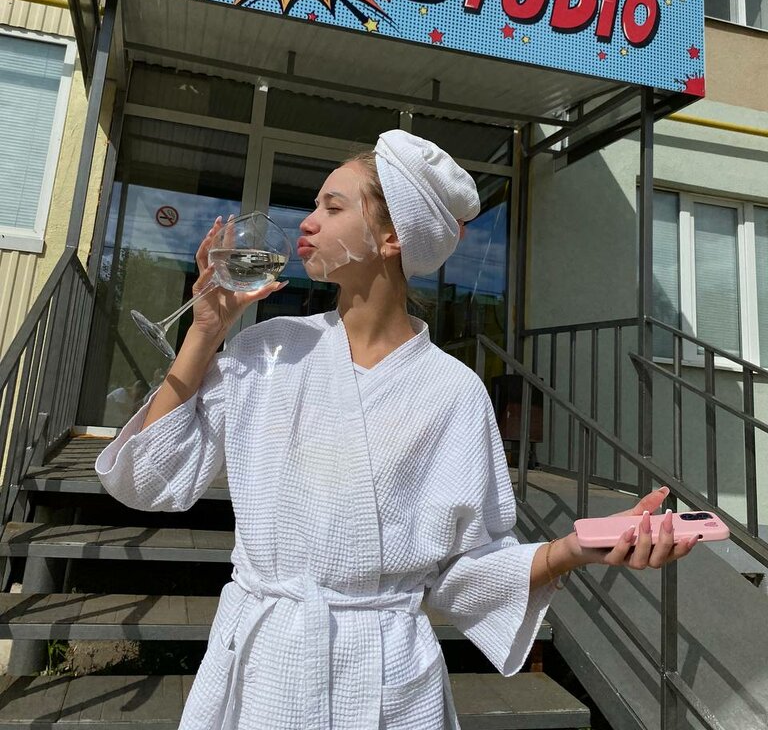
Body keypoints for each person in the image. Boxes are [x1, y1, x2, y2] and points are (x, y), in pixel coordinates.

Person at [95, 129, 698, 730]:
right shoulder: (268, 350)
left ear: (391, 237)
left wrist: (574, 550)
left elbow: (465, 572)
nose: (307, 221)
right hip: (262, 668)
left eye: (333, 207)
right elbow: (147, 478)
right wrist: (203, 334)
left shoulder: (453, 390)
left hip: (383, 681)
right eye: (314, 205)